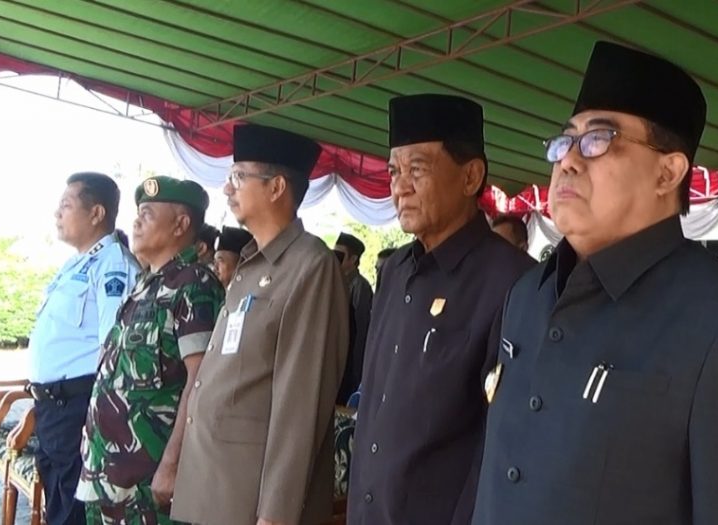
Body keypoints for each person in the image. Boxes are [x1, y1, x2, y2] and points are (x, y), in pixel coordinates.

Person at [471, 41, 718, 525]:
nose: (569, 161)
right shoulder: (528, 294)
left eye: (599, 139)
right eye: (566, 141)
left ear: (667, 173)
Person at [348, 94, 535, 525]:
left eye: (417, 169)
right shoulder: (395, 270)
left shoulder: (515, 282)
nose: (400, 187)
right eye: (394, 171)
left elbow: (502, 443)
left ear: (470, 176)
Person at [172, 124, 349, 525]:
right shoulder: (251, 264)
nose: (227, 188)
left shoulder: (310, 266)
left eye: (239, 176)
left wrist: (276, 512)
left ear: (276, 188)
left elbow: (301, 401)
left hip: (252, 501)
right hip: (217, 485)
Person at [76, 176, 223, 524]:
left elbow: (200, 380)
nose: (136, 222)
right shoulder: (145, 285)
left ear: (181, 224)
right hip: (105, 475)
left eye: (148, 214)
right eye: (138, 213)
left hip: (147, 484)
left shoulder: (194, 285)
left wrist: (172, 464)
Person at [28, 172, 140, 525]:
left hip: (77, 407)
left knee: (72, 513)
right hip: (52, 409)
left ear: (96, 213)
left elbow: (113, 348)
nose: (57, 213)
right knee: (58, 507)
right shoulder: (76, 263)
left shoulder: (113, 265)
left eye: (66, 205)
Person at [334, 232, 373, 405]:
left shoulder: (360, 287)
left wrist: (357, 370)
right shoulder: (336, 280)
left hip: (350, 358)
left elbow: (361, 330)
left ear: (353, 259)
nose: (336, 258)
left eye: (340, 255)